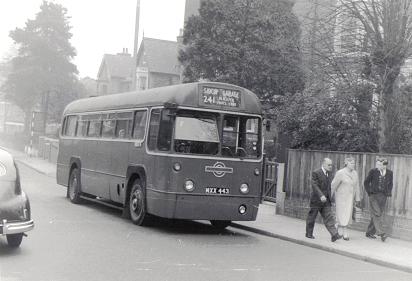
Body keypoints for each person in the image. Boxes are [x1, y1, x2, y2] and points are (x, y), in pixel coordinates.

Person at [306, 158, 342, 242]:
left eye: (331, 165)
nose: (330, 167)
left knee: (329, 217)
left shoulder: (329, 174)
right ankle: (308, 234)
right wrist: (321, 195)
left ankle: (334, 234)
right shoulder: (316, 173)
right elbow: (314, 185)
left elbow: (330, 187)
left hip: (326, 201)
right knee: (312, 217)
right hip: (316, 200)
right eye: (329, 165)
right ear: (323, 164)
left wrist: (330, 198)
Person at [331, 157, 361, 240]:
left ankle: (338, 228)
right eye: (351, 163)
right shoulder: (340, 173)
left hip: (350, 198)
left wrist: (357, 198)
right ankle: (344, 232)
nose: (353, 165)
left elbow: (357, 186)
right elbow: (333, 185)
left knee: (347, 215)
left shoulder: (355, 173)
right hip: (341, 197)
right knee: (342, 215)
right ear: (346, 163)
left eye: (354, 163)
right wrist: (329, 196)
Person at [364, 157, 393, 242]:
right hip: (373, 196)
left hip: (383, 196)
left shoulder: (390, 173)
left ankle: (369, 232)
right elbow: (366, 182)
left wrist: (388, 192)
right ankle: (381, 233)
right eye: (377, 164)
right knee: (377, 213)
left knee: (377, 214)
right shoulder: (373, 171)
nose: (377, 166)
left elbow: (391, 184)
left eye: (379, 164)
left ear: (385, 165)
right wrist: (369, 192)